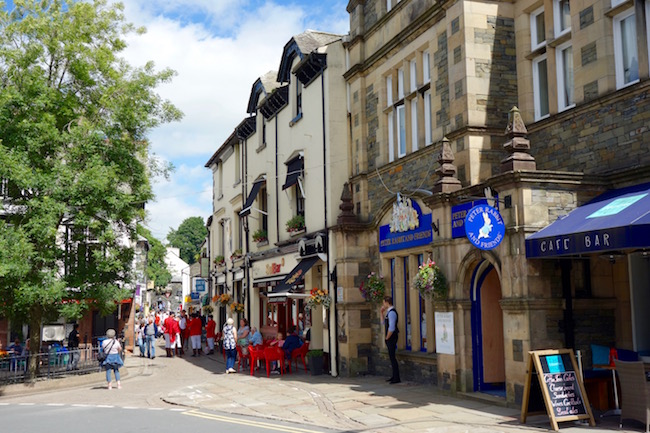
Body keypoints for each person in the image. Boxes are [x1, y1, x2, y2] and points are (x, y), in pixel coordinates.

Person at [381, 296, 400, 384]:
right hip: (390, 338)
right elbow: (383, 323)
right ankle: (394, 376)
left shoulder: (392, 313)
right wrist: (381, 313)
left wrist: (387, 337)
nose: (383, 304)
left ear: (387, 302)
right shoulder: (388, 312)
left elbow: (391, 327)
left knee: (393, 357)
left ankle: (396, 378)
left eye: (383, 302)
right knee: (391, 357)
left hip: (391, 338)